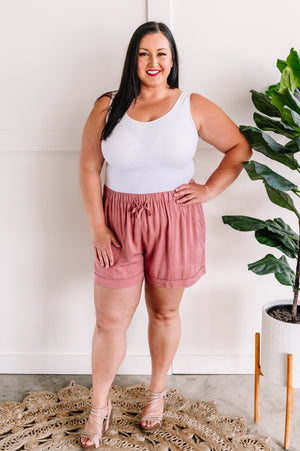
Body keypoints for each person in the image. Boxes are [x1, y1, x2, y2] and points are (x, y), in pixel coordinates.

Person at [79, 21, 252, 449]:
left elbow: (239, 148)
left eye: (161, 54)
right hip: (117, 220)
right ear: (132, 59)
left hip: (175, 219)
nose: (153, 62)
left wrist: (210, 188)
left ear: (172, 59)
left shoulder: (191, 104)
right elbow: (88, 167)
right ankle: (99, 405)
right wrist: (98, 226)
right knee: (109, 319)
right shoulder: (109, 104)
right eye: (143, 53)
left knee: (164, 313)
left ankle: (156, 395)